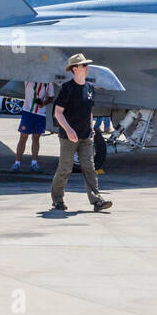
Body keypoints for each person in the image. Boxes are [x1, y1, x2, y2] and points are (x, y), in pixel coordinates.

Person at [50, 54, 112, 213]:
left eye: (86, 65)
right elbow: (58, 112)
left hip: (85, 136)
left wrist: (91, 129)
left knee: (89, 167)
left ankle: (97, 201)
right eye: (83, 65)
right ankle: (57, 200)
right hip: (68, 137)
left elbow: (88, 110)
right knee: (65, 168)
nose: (87, 67)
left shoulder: (89, 88)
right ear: (75, 69)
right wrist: (68, 130)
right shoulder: (67, 88)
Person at [12, 80, 53, 171]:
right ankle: (17, 163)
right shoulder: (29, 79)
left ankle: (34, 163)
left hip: (40, 114)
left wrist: (43, 103)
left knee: (36, 138)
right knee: (23, 137)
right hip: (28, 112)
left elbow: (51, 98)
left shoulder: (48, 82)